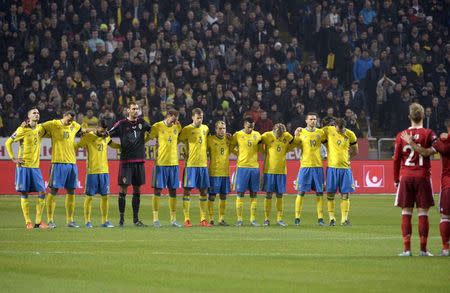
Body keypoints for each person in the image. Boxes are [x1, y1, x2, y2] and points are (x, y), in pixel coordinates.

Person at [400, 118, 450, 256]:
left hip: (448, 184)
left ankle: (446, 249)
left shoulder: (444, 144)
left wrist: (411, 142)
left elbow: (426, 152)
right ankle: (424, 250)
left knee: (445, 217)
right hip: (427, 179)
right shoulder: (441, 140)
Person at [393, 103, 436, 256]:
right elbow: (434, 150)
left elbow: (396, 159)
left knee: (406, 212)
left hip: (406, 176)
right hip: (423, 176)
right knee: (423, 213)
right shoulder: (429, 133)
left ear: (409, 117)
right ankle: (423, 250)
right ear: (423, 116)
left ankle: (406, 250)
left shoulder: (401, 135)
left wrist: (395, 180)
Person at [108, 102, 151, 227]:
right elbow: (108, 134)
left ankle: (136, 220)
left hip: (139, 161)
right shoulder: (121, 124)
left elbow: (153, 131)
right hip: (126, 162)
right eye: (133, 109)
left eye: (137, 109)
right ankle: (121, 219)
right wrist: (112, 143)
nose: (136, 111)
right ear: (128, 110)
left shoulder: (142, 122)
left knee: (137, 189)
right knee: (123, 189)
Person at [5, 108, 48, 229]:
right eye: (34, 113)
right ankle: (28, 221)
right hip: (23, 166)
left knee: (42, 192)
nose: (37, 114)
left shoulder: (40, 128)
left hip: (35, 167)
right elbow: (8, 142)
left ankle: (38, 222)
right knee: (24, 193)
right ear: (28, 116)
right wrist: (13, 158)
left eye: (38, 113)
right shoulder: (21, 129)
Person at [41, 110, 83, 228]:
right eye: (68, 119)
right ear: (64, 116)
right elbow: (39, 127)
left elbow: (82, 131)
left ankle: (70, 220)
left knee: (71, 191)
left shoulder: (74, 125)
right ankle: (50, 220)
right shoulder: (53, 124)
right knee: (53, 191)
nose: (70, 122)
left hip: (72, 163)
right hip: (58, 162)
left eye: (72, 120)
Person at [75, 119, 119, 228]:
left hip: (104, 171)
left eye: (105, 131)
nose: (104, 133)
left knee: (105, 197)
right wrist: (83, 134)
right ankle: (87, 221)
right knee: (89, 197)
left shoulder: (106, 136)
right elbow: (78, 145)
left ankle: (105, 221)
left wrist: (121, 146)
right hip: (92, 171)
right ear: (97, 127)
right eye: (102, 130)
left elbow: (112, 144)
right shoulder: (89, 136)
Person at [148, 109, 183, 228]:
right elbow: (148, 138)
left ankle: (173, 219)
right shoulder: (157, 126)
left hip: (174, 163)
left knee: (173, 191)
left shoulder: (177, 127)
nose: (175, 121)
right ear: (168, 116)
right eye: (174, 118)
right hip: (161, 163)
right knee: (157, 190)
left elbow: (178, 139)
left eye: (177, 119)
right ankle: (155, 218)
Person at [322, 118, 358, 226]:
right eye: (338, 129)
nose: (340, 131)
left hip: (345, 169)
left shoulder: (350, 134)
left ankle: (344, 219)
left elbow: (355, 150)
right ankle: (332, 219)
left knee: (345, 194)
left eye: (342, 130)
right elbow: (315, 134)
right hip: (332, 168)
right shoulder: (328, 130)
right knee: (330, 193)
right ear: (335, 126)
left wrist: (348, 158)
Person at [293, 112, 327, 226]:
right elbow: (295, 143)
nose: (313, 121)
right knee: (301, 191)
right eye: (311, 119)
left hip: (317, 166)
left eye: (315, 119)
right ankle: (297, 217)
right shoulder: (301, 132)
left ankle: (320, 218)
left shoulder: (320, 132)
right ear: (306, 121)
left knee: (319, 192)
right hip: (305, 166)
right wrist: (295, 133)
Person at [179, 108, 210, 227]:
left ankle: (203, 219)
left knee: (203, 191)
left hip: (203, 165)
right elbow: (179, 140)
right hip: (191, 165)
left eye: (201, 117)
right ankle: (187, 219)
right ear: (192, 117)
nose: (200, 120)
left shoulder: (205, 128)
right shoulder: (187, 129)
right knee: (187, 191)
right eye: (198, 117)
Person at [230, 117, 262, 226]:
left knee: (254, 193)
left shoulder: (257, 135)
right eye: (248, 127)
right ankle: (239, 219)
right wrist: (238, 154)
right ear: (244, 125)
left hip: (254, 168)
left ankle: (253, 219)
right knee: (240, 193)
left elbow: (261, 148)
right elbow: (231, 146)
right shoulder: (238, 135)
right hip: (242, 167)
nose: (250, 129)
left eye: (252, 127)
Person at [260, 123, 294, 227]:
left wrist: (288, 148)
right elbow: (257, 142)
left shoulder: (287, 136)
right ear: (273, 130)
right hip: (269, 171)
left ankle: (279, 219)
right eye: (277, 134)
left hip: (281, 171)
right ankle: (266, 219)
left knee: (280, 195)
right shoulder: (266, 136)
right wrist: (263, 152)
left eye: (281, 134)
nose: (279, 136)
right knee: (268, 194)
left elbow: (294, 142)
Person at [207, 120, 231, 226]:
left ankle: (221, 219)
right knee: (212, 196)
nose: (222, 131)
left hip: (225, 173)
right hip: (214, 172)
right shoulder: (210, 140)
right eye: (220, 129)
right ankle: (211, 218)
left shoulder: (229, 139)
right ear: (216, 129)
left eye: (224, 128)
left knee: (223, 196)